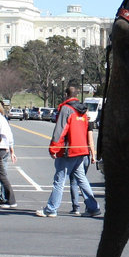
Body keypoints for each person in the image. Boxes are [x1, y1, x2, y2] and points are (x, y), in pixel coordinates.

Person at [36, 86, 100, 218]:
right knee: (82, 179)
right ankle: (93, 207)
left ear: (66, 95)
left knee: (59, 180)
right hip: (81, 149)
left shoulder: (66, 109)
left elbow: (60, 130)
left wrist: (53, 148)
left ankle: (51, 209)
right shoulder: (82, 111)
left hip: (69, 150)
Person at [68, 116, 97, 215]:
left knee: (74, 182)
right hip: (85, 155)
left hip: (76, 153)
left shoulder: (75, 123)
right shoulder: (88, 123)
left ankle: (76, 207)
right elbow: (90, 141)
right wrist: (93, 155)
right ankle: (90, 206)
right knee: (82, 180)